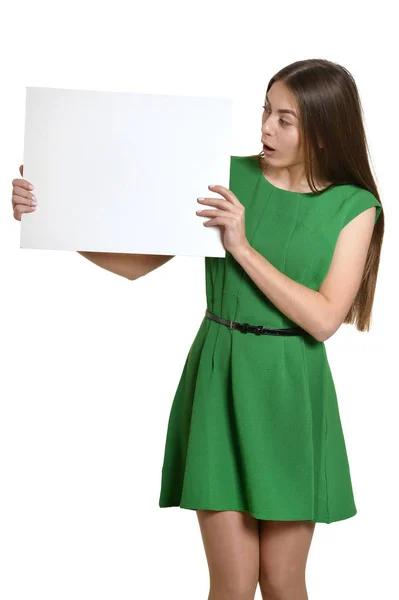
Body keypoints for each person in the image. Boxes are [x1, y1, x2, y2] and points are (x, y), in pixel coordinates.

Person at [12, 58, 384, 600]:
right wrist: (49, 218)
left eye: (286, 119)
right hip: (220, 375)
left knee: (282, 581)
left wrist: (243, 247)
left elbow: (325, 318)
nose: (265, 129)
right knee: (230, 584)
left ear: (325, 132)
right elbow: (136, 264)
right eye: (266, 111)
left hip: (289, 391)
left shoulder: (355, 207)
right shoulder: (227, 177)